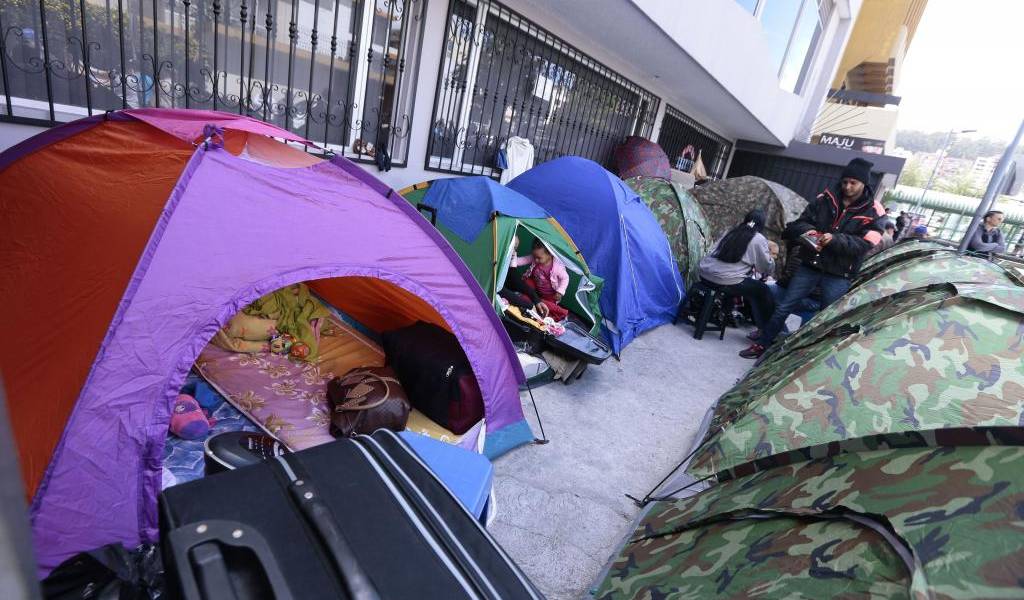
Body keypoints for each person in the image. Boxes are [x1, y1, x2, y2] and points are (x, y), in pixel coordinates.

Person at [740, 157, 884, 359]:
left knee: (828, 317)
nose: (847, 187)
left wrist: (835, 240)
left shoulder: (875, 210)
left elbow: (868, 243)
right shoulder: (824, 198)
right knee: (784, 307)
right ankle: (763, 344)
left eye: (853, 183)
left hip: (839, 274)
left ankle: (813, 357)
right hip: (811, 265)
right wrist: (813, 235)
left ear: (864, 184)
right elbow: (800, 223)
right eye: (845, 182)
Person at [697, 209, 778, 332]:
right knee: (763, 290)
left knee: (745, 284)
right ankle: (768, 330)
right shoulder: (759, 239)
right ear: (762, 224)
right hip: (725, 280)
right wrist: (772, 260)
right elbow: (765, 267)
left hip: (704, 273)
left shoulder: (732, 231)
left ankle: (725, 312)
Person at [512, 237, 571, 321]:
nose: (536, 259)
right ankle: (524, 297)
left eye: (539, 258)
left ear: (550, 254)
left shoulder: (557, 267)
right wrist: (511, 258)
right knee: (527, 282)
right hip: (536, 286)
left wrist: (560, 291)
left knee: (548, 306)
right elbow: (523, 260)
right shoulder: (535, 257)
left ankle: (563, 312)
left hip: (550, 294)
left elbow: (565, 278)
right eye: (534, 256)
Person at [498, 235, 550, 318]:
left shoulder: (506, 261)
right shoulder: (493, 262)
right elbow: (499, 289)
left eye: (516, 249)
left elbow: (515, 278)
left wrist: (536, 300)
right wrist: (529, 305)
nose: (514, 252)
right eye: (512, 247)